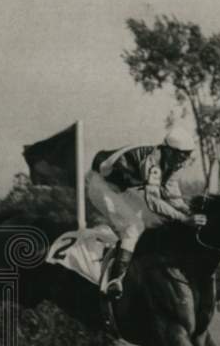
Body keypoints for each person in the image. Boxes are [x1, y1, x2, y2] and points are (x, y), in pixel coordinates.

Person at [85, 128, 207, 302]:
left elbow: (173, 197)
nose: (184, 162)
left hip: (121, 187)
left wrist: (190, 211)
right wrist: (185, 220)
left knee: (152, 222)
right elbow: (154, 202)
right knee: (134, 227)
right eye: (182, 156)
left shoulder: (171, 162)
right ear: (169, 152)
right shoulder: (152, 162)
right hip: (100, 186)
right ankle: (115, 280)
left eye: (188, 156)